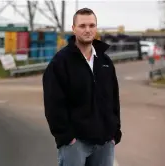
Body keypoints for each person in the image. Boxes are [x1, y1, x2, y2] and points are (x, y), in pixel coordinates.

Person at [42, 8, 122, 166]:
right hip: (75, 144)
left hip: (104, 142)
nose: (87, 30)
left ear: (96, 28)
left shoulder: (105, 61)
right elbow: (53, 104)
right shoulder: (60, 63)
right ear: (73, 29)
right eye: (82, 26)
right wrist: (66, 137)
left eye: (92, 25)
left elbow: (114, 99)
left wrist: (114, 132)